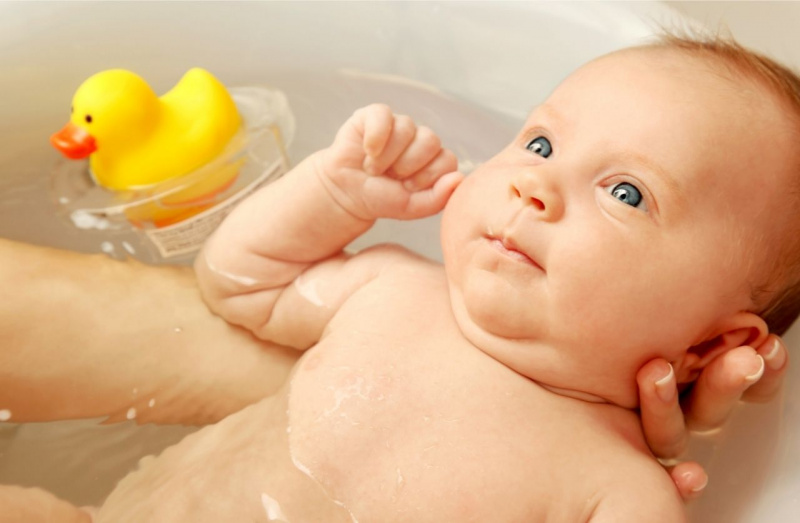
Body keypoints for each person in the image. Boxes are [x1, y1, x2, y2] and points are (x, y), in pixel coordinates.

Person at [0, 34, 794, 521]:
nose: (533, 185)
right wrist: (332, 195)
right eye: (542, 144)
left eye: (626, 193)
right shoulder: (390, 290)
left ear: (718, 343)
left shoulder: (618, 491)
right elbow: (237, 282)